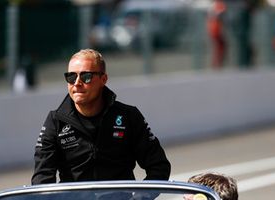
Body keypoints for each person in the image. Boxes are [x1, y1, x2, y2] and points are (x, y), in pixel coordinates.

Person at [31, 49, 171, 184]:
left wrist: (139, 198)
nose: (77, 83)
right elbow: (41, 180)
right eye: (71, 77)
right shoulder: (55, 121)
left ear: (103, 79)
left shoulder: (128, 116)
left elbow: (159, 167)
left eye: (86, 76)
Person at [206, 0, 227, 68]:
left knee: (219, 46)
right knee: (217, 47)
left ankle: (217, 63)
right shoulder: (217, 4)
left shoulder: (216, 4)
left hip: (216, 29)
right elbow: (218, 14)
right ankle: (216, 64)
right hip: (215, 29)